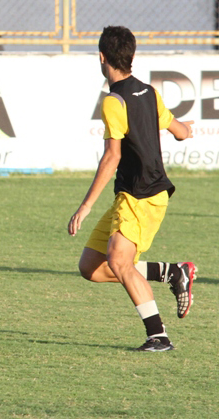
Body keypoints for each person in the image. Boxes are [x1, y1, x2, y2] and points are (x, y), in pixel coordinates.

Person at [68, 26, 197, 352]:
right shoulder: (149, 92)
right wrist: (187, 129)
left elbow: (112, 157)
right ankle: (172, 272)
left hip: (140, 196)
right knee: (92, 267)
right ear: (131, 57)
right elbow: (180, 132)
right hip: (134, 195)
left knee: (119, 262)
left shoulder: (114, 101)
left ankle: (158, 336)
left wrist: (84, 206)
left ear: (102, 57)